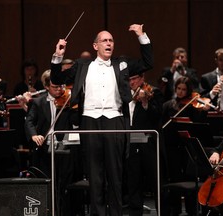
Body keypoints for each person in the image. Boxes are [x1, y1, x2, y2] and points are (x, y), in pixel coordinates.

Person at [50, 23, 153, 216]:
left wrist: (141, 36)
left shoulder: (121, 63)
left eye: (111, 40)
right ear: (95, 46)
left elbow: (148, 62)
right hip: (90, 120)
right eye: (104, 40)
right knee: (95, 175)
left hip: (115, 120)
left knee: (115, 174)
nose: (109, 43)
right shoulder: (82, 65)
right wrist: (58, 56)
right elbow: (57, 78)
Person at [24, 70, 78, 216]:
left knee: (64, 186)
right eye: (55, 87)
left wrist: (74, 106)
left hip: (63, 149)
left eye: (61, 86)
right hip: (44, 149)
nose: (60, 89)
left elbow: (75, 121)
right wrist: (34, 136)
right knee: (47, 185)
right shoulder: (37, 102)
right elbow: (29, 121)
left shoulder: (67, 101)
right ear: (46, 86)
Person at [162, 76, 210, 216]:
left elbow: (199, 126)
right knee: (175, 179)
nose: (181, 92)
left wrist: (203, 111)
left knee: (190, 179)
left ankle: (192, 210)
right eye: (179, 89)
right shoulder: (168, 105)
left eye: (184, 89)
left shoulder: (193, 106)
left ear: (189, 91)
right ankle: (175, 209)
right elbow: (163, 127)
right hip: (173, 148)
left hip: (188, 149)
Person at [127, 71, 166, 216]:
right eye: (129, 79)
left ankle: (162, 212)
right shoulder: (125, 94)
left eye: (134, 79)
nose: (132, 82)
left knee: (155, 182)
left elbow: (157, 116)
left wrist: (145, 102)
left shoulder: (153, 92)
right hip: (131, 143)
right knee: (133, 182)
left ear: (142, 78)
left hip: (149, 144)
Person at [200, 48, 223, 115]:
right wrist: (212, 93)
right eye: (220, 60)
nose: (222, 63)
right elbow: (200, 99)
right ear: (216, 60)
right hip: (211, 115)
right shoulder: (206, 78)